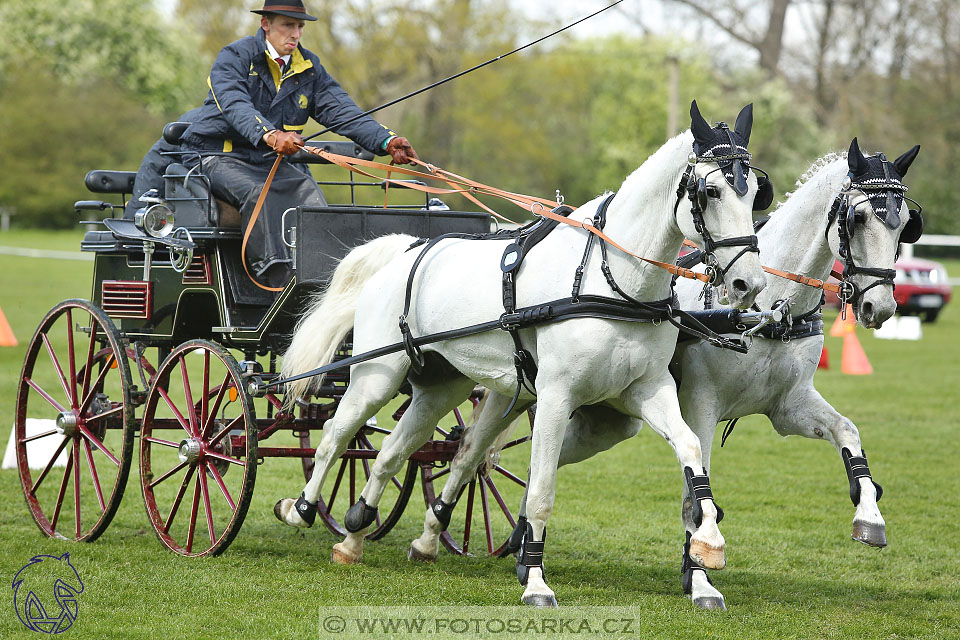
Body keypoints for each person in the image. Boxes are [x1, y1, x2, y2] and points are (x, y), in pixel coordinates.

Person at [179, 0, 418, 287]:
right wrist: (270, 134)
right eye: (287, 25)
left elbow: (342, 110)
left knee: (308, 192)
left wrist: (386, 140)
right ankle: (273, 276)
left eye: (300, 27)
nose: (295, 34)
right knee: (259, 192)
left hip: (268, 161)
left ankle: (321, 274)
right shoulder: (236, 56)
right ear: (265, 24)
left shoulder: (309, 68)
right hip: (217, 156)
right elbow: (234, 104)